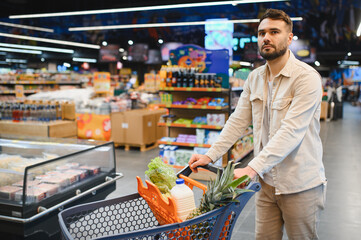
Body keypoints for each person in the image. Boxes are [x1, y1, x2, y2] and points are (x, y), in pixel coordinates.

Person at [189, 8, 327, 240]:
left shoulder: (306, 78)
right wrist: (210, 155)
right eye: (262, 33)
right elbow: (237, 121)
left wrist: (251, 168)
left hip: (300, 185)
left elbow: (291, 132)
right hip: (265, 184)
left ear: (289, 38)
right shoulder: (255, 78)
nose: (266, 38)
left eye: (274, 32)